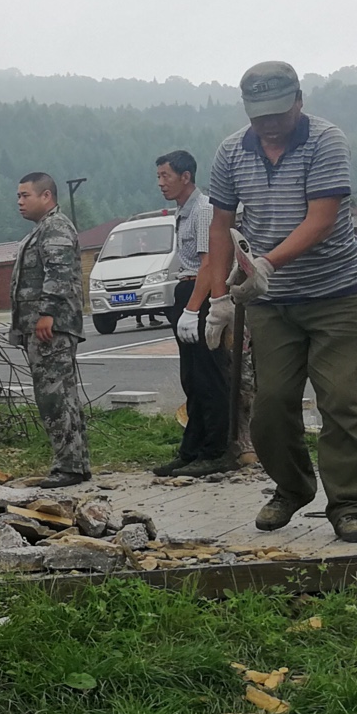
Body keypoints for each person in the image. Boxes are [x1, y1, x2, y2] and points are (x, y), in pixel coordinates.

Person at [198, 61, 357, 542]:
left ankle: (346, 505)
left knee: (343, 401)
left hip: (336, 295)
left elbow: (321, 218)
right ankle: (292, 488)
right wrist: (218, 298)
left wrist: (267, 265)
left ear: (299, 100)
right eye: (259, 116)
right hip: (271, 304)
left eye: (278, 112)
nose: (270, 123)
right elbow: (219, 226)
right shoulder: (231, 151)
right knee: (271, 404)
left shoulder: (325, 140)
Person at [9, 173, 89, 488]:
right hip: (44, 326)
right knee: (61, 395)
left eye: (25, 195)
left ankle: (68, 466)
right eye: (18, 195)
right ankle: (75, 464)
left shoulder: (55, 227)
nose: (19, 202)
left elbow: (58, 271)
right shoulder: (44, 229)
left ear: (46, 196)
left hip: (50, 327)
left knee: (54, 396)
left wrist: (47, 313)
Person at [155, 149, 231, 476]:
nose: (161, 183)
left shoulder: (202, 209)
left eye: (166, 176)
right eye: (158, 176)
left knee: (209, 377)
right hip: (186, 290)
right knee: (192, 378)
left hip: (200, 294)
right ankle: (192, 449)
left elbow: (210, 262)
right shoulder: (183, 212)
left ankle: (216, 450)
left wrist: (193, 307)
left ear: (186, 177)